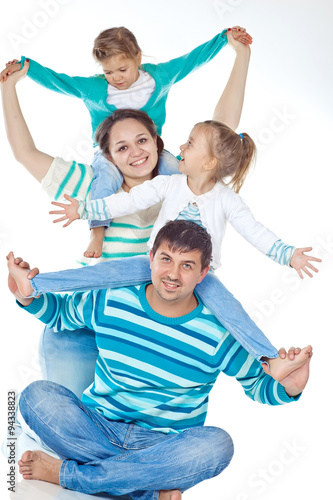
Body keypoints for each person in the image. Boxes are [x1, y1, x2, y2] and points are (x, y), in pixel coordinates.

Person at [4, 33, 286, 401]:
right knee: (61, 418)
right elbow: (25, 153)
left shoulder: (181, 183)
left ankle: (270, 367)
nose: (134, 152)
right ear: (107, 155)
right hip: (82, 323)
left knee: (119, 437)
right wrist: (9, 87)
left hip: (145, 330)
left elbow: (220, 134)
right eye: (121, 147)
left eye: (141, 140)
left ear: (157, 141)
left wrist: (241, 56)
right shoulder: (90, 184)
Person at [7, 220, 312, 499]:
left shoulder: (219, 332)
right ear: (151, 257)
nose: (173, 274)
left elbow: (258, 384)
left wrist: (290, 387)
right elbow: (60, 314)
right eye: (166, 259)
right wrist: (25, 295)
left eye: (187, 265)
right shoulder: (113, 298)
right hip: (98, 426)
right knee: (36, 397)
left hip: (162, 445)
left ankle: (71, 475)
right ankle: (148, 488)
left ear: (203, 273)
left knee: (218, 446)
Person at [1, 25, 252, 259]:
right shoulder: (90, 178)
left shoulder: (178, 175)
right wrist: (25, 70)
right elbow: (60, 83)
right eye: (109, 72)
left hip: (173, 282)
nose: (116, 78)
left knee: (180, 178)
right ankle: (96, 231)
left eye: (141, 139)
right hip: (103, 167)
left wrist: (228, 43)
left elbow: (194, 66)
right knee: (106, 178)